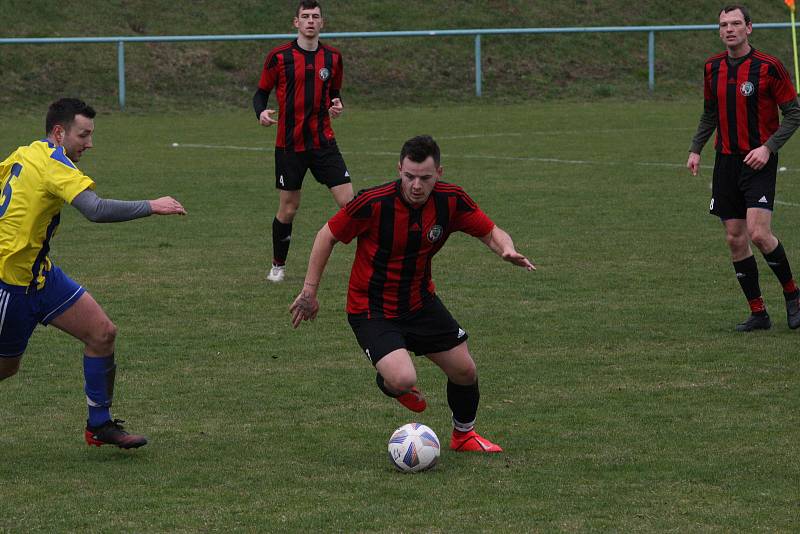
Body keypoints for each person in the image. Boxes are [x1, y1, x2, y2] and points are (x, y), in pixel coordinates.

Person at [289, 135, 535, 453]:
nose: (416, 185)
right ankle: (390, 381)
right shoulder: (374, 203)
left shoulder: (451, 200)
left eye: (425, 178)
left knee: (465, 370)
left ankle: (464, 436)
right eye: (409, 176)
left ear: (439, 173)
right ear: (399, 170)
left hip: (419, 302)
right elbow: (327, 235)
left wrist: (506, 249)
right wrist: (310, 291)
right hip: (371, 308)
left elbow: (490, 231)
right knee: (403, 379)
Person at [0, 98, 186, 448]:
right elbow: (96, 210)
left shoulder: (25, 153)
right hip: (10, 286)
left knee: (102, 333)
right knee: (7, 368)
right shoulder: (55, 165)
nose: (89, 143)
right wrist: (152, 206)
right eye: (83, 135)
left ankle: (99, 425)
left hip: (41, 275)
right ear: (59, 132)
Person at [686, 4, 800, 332]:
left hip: (758, 160)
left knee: (759, 233)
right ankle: (758, 313)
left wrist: (768, 148)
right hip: (726, 162)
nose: (729, 29)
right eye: (724, 25)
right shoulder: (712, 68)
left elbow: (793, 113)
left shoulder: (769, 67)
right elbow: (710, 112)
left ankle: (793, 294)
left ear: (749, 28)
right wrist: (696, 149)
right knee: (735, 238)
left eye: (736, 23)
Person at [253, 0, 353, 283]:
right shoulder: (279, 57)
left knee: (351, 205)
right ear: (296, 23)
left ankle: (368, 260)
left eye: (315, 16)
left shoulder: (333, 58)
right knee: (288, 208)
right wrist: (260, 112)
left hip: (324, 143)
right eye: (305, 16)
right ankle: (277, 266)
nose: (310, 21)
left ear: (322, 23)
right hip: (289, 145)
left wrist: (337, 105)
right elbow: (260, 93)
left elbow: (335, 93)